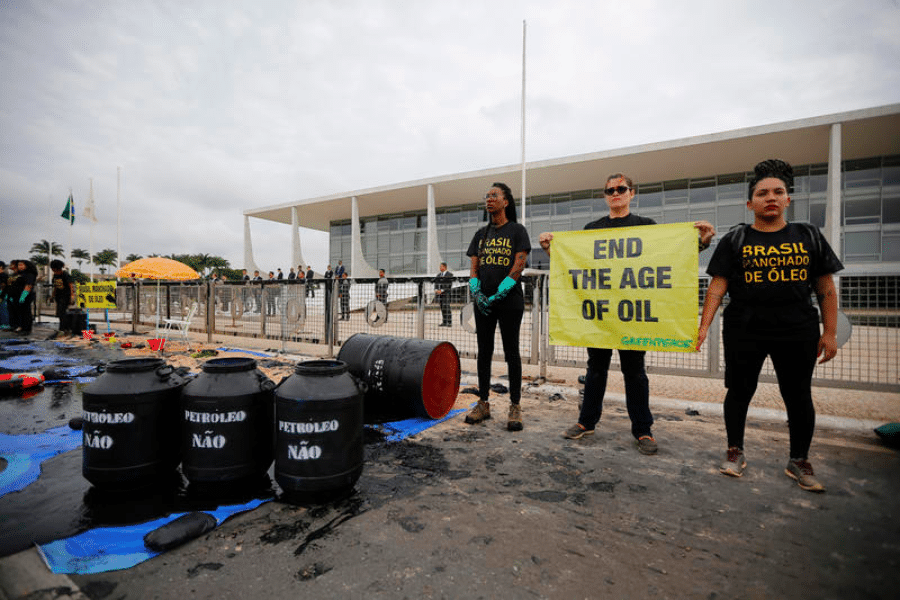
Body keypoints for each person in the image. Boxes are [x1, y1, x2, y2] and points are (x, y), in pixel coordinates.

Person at [540, 173, 715, 455]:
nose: (616, 193)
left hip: (632, 316)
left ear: (632, 193)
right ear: (604, 196)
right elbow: (576, 265)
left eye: (621, 189)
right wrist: (551, 250)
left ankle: (643, 430)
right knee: (595, 370)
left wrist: (700, 243)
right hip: (600, 314)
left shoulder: (646, 227)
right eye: (610, 190)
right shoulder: (591, 229)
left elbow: (667, 256)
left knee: (635, 373)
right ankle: (586, 422)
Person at [697, 159, 842, 493]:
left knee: (798, 395)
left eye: (778, 192)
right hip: (745, 328)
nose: (771, 197)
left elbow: (825, 288)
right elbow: (718, 287)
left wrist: (830, 332)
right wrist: (704, 326)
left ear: (788, 199)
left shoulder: (808, 235)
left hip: (797, 328)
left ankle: (799, 460)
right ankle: (735, 451)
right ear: (751, 203)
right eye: (762, 193)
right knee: (739, 392)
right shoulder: (735, 239)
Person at [465, 182, 531, 432]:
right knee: (484, 352)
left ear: (506, 202)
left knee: (511, 352)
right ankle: (483, 402)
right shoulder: (480, 235)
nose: (489, 199)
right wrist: (476, 290)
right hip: (483, 303)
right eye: (487, 195)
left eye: (495, 195)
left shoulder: (517, 231)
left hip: (510, 303)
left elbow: (518, 265)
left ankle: (515, 405)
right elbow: (474, 267)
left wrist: (501, 292)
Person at [8, 259, 38, 334]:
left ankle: (27, 329)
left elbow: (28, 285)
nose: (19, 266)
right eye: (18, 265)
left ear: (26, 266)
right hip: (16, 296)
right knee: (19, 312)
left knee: (26, 312)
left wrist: (23, 296)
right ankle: (20, 327)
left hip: (25, 296)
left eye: (21, 265)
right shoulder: (19, 274)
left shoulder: (29, 274)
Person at [50, 259, 75, 335]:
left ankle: (63, 329)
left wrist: (72, 296)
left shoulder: (65, 274)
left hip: (65, 296)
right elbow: (55, 286)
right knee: (59, 313)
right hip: (58, 296)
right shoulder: (55, 275)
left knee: (62, 312)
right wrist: (52, 296)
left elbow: (71, 285)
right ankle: (63, 328)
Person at [433, 262, 454, 326]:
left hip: (446, 293)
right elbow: (436, 283)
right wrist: (436, 290)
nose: (440, 268)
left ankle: (449, 322)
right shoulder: (438, 275)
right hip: (440, 294)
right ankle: (444, 322)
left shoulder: (450, 275)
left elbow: (449, 284)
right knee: (442, 307)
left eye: (441, 266)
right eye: (440, 267)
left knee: (447, 307)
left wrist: (442, 290)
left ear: (445, 267)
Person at [0, 261, 9, 329]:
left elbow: (4, 287)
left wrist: (1, 296)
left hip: (3, 296)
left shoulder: (4, 276)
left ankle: (5, 324)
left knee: (3, 310)